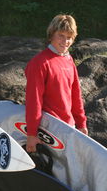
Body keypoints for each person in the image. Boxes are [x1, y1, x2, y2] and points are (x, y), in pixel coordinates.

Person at [25, 14, 88, 153]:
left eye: (69, 37)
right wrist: (31, 134)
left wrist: (81, 123)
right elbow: (33, 100)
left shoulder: (68, 60)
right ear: (51, 34)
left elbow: (76, 95)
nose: (65, 41)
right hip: (49, 129)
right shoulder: (39, 63)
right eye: (61, 35)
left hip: (68, 128)